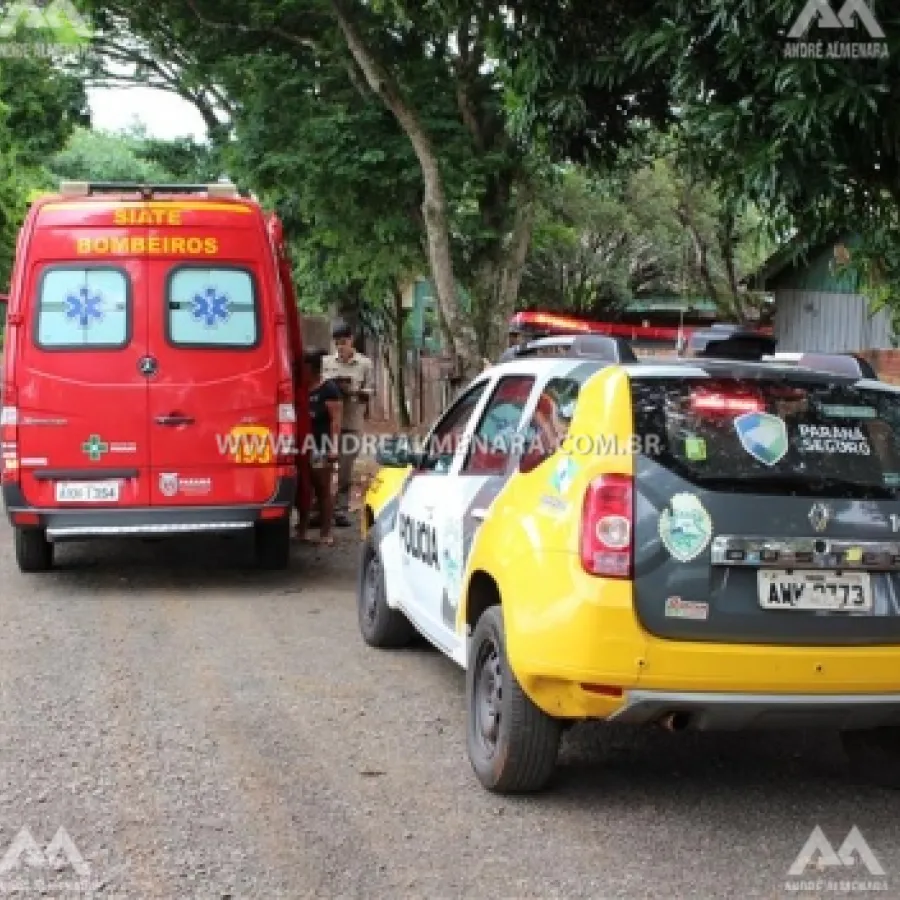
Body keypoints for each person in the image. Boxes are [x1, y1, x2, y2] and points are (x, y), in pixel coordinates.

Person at [322, 323, 374, 527]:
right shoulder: (326, 362)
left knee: (345, 470)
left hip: (351, 422)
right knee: (322, 468)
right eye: (337, 343)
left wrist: (354, 391)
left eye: (343, 342)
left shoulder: (364, 364)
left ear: (351, 340)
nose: (340, 347)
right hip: (326, 423)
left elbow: (370, 391)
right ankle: (320, 510)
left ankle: (340, 510)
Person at [295, 349, 342, 545]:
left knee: (322, 488)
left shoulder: (329, 389)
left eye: (303, 367)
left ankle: (326, 532)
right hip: (300, 446)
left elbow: (336, 421)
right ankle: (302, 530)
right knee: (303, 488)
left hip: (320, 446)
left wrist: (334, 448)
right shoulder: (298, 388)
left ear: (312, 369)